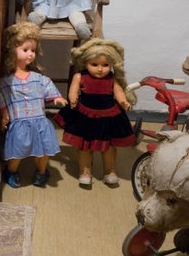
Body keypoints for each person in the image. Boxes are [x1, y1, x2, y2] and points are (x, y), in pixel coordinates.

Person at [54, 38, 136, 187]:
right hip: (85, 115)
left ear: (112, 64)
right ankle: (85, 171)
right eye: (94, 64)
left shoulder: (112, 79)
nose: (100, 69)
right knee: (84, 146)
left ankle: (110, 171)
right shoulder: (80, 76)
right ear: (85, 62)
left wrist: (123, 102)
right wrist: (73, 98)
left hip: (108, 116)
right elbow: (73, 90)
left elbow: (118, 92)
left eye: (105, 65)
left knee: (109, 146)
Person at [0, 22, 67, 188]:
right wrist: (4, 113)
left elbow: (48, 86)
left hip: (40, 122)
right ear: (12, 50)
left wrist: (57, 97)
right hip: (19, 123)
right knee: (17, 152)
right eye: (25, 50)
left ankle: (41, 172)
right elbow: (1, 98)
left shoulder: (38, 78)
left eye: (33, 50)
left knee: (43, 151)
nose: (30, 54)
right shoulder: (6, 81)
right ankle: (11, 171)